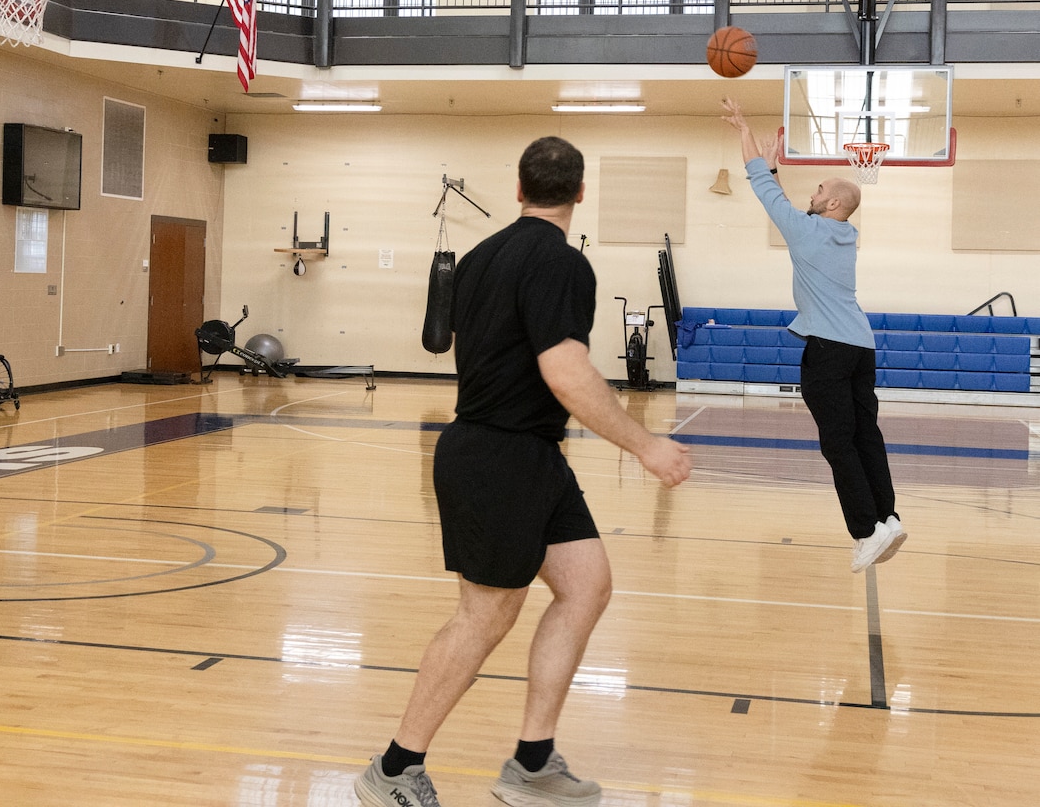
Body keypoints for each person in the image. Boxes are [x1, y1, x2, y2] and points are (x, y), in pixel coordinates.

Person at [356, 137, 692, 807]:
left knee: (586, 584)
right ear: (580, 193)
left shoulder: (479, 258)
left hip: (530, 453)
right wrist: (644, 444)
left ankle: (533, 763)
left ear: (518, 189)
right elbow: (565, 371)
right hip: (497, 455)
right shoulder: (563, 264)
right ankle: (394, 769)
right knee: (484, 616)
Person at [720, 98, 906, 573]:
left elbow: (761, 186)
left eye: (820, 188)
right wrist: (776, 168)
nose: (815, 191)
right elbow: (782, 198)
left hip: (827, 347)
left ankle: (866, 532)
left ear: (835, 203)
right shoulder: (846, 235)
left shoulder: (807, 233)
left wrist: (744, 127)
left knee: (836, 442)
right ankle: (888, 516)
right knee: (867, 435)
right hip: (862, 345)